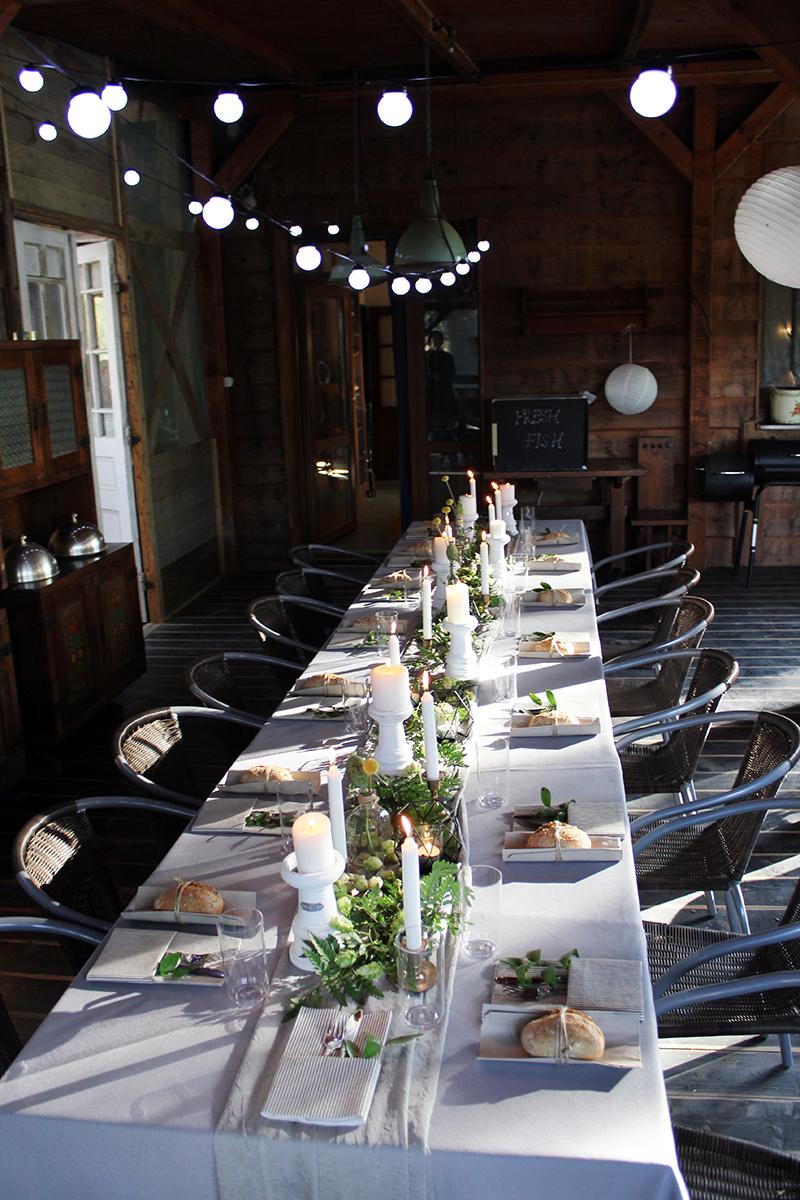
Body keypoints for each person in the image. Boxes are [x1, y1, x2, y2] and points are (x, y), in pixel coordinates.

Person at [426, 330, 456, 427]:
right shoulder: (425, 356)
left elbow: (452, 374)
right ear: (429, 341)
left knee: (445, 414)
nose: (436, 341)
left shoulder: (448, 357)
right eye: (434, 339)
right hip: (429, 390)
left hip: (444, 390)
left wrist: (441, 377)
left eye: (439, 339)